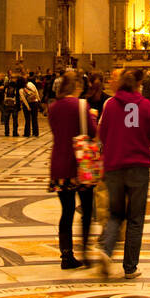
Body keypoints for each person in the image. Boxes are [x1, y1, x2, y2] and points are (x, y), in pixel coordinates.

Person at [96, 67, 150, 280]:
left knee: (115, 213)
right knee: (135, 217)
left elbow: (102, 134)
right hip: (138, 167)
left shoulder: (111, 105)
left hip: (114, 166)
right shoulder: (145, 105)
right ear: (138, 85)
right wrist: (139, 143)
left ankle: (106, 250)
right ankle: (130, 267)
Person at [48, 69, 96, 268]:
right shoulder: (81, 105)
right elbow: (93, 132)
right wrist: (92, 116)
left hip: (59, 165)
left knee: (66, 211)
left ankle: (66, 255)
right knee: (86, 210)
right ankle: (85, 250)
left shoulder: (53, 107)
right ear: (77, 87)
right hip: (80, 165)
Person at [1, 70, 21, 137]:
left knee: (7, 120)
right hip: (14, 105)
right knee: (15, 120)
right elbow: (18, 97)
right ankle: (15, 132)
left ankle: (7, 132)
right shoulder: (17, 87)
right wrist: (19, 106)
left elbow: (3, 95)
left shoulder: (6, 86)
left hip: (7, 105)